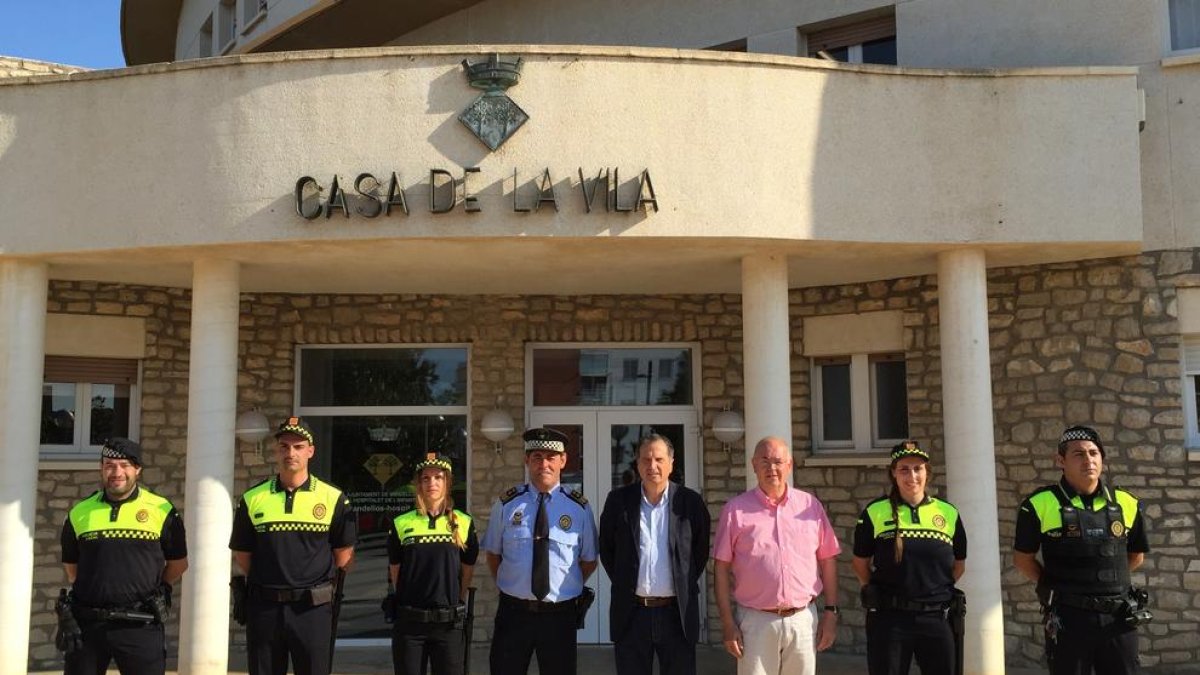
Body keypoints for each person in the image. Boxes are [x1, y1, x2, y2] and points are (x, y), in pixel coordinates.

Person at [1013, 425, 1150, 675]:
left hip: (1118, 619)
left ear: (1103, 461)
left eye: (1094, 453)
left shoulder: (1127, 503)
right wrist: (1057, 587)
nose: (1088, 460)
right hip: (1069, 620)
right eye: (1078, 454)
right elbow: (1023, 560)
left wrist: (1104, 582)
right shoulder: (1038, 504)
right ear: (1060, 461)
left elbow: (1135, 557)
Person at [229, 416, 356, 675]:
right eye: (285, 446)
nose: (291, 453)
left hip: (312, 609)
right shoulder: (253, 498)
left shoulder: (333, 498)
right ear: (276, 450)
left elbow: (343, 555)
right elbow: (243, 553)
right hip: (265, 608)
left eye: (298, 447)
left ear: (311, 451)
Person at [58, 437, 188, 675]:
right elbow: (71, 567)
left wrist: (160, 588)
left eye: (124, 465)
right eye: (109, 465)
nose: (116, 472)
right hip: (88, 625)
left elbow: (179, 563)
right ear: (101, 469)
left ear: (137, 469)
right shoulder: (79, 512)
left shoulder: (162, 510)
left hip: (140, 623)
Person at [713, 436, 841, 675]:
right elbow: (720, 568)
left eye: (778, 461)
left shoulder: (810, 506)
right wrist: (728, 623)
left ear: (789, 465)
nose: (772, 468)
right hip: (755, 621)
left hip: (803, 619)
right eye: (764, 461)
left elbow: (828, 560)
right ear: (753, 465)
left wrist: (831, 613)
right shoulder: (735, 511)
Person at [482, 427, 599, 675]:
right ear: (526, 461)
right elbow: (493, 555)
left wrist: (564, 585)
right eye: (536, 457)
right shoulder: (506, 504)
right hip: (514, 613)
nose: (543, 464)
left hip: (559, 615)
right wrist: (515, 584)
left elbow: (589, 560)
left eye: (550, 457)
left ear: (563, 461)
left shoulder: (579, 508)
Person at [599, 434, 711, 675]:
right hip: (632, 613)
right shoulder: (618, 501)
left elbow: (699, 553)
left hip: (676, 614)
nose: (653, 466)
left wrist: (681, 580)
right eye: (646, 459)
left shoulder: (690, 502)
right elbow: (607, 551)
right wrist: (627, 580)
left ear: (671, 462)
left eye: (659, 459)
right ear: (638, 464)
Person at [852, 440, 967, 675]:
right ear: (893, 473)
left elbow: (958, 565)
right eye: (904, 469)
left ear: (927, 472)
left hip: (936, 618)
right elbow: (860, 563)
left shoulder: (948, 513)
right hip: (890, 620)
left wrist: (930, 590)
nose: (911, 475)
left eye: (918, 469)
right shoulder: (875, 512)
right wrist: (879, 593)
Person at [384, 452, 479, 675]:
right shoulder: (401, 523)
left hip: (448, 625)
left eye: (438, 477)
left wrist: (454, 600)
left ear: (448, 482)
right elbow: (396, 571)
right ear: (418, 484)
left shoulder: (463, 522)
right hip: (410, 624)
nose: (432, 483)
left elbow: (467, 571)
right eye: (425, 478)